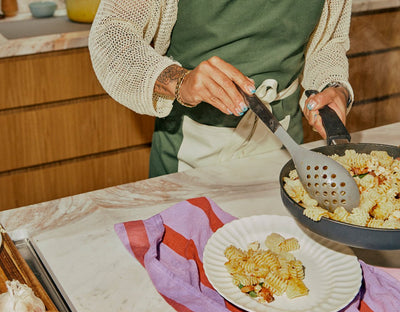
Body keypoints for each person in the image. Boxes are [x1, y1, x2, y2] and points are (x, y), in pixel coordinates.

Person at [89, 0, 354, 178]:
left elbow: (328, 42)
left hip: (284, 144)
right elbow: (110, 35)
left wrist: (332, 85)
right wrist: (178, 80)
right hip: (190, 148)